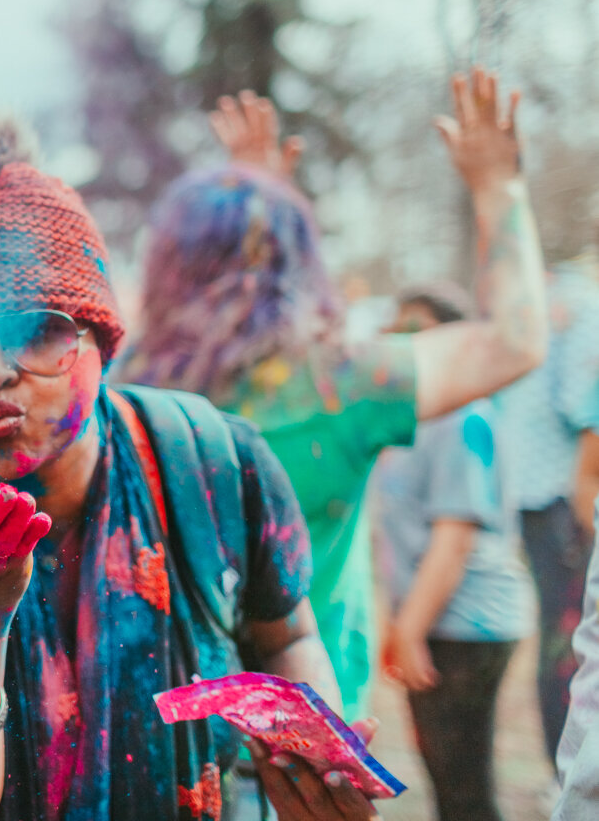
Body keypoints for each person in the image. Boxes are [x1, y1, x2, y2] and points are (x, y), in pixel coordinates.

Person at [0, 119, 369, 821]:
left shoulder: (215, 461)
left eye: (37, 329)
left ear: (102, 340)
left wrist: (310, 765)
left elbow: (285, 635)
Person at [120, 69, 547, 722]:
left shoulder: (126, 388)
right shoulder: (344, 386)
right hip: (309, 726)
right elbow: (515, 342)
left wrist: (247, 210)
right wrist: (498, 186)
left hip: (169, 714)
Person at [369, 282, 535, 821]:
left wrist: (410, 630)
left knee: (464, 791)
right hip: (437, 622)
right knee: (447, 783)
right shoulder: (414, 416)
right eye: (397, 326)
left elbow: (453, 538)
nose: (401, 338)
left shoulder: (465, 417)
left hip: (465, 629)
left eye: (416, 328)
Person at [493, 257, 599, 778]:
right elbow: (589, 419)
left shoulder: (533, 298)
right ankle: (570, 775)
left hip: (533, 497)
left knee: (564, 642)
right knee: (574, 647)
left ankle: (562, 772)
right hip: (569, 501)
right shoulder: (583, 306)